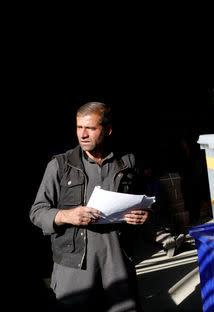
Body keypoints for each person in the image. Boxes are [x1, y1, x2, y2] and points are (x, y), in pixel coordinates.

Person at [29, 101, 149, 311]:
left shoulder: (127, 163)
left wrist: (143, 215)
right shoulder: (60, 165)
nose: (82, 134)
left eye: (90, 128)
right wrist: (67, 216)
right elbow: (37, 212)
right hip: (74, 267)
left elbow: (145, 202)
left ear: (108, 130)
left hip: (118, 265)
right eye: (79, 127)